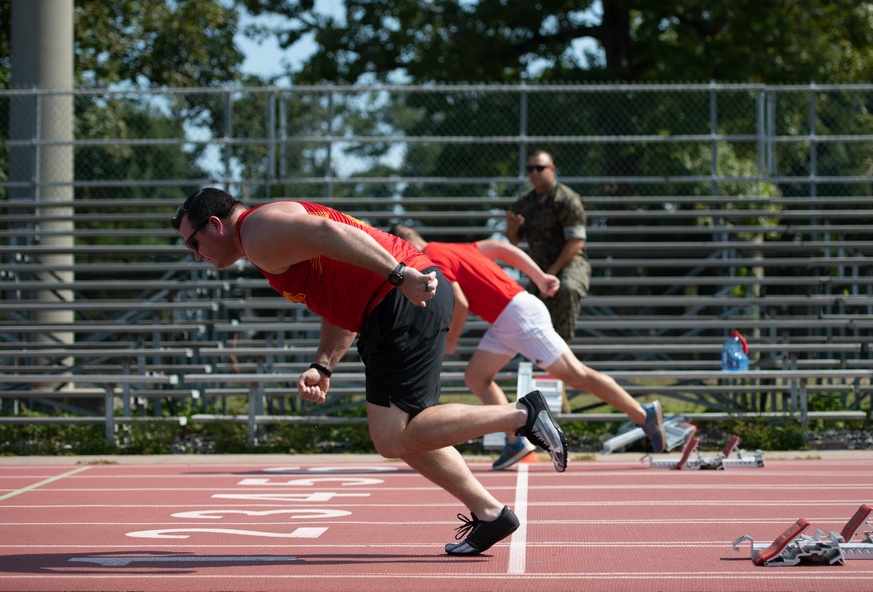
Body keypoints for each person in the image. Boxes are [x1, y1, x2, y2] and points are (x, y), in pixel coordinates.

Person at [171, 187, 568, 556]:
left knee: (394, 437)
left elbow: (328, 232)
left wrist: (400, 275)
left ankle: (523, 415)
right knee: (402, 433)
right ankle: (490, 514)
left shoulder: (257, 230)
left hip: (398, 297)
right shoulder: (262, 233)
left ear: (216, 225)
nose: (196, 255)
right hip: (387, 303)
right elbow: (339, 294)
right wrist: (323, 365)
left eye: (195, 243)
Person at [388, 224, 667, 471]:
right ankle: (516, 442)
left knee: (574, 375)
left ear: (405, 246)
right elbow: (501, 248)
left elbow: (460, 303)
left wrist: (451, 341)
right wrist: (540, 276)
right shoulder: (455, 248)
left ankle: (644, 415)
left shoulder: (433, 258)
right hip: (506, 320)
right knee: (476, 377)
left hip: (518, 315)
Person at [506, 150, 590, 342]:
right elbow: (514, 241)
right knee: (529, 306)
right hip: (539, 267)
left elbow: (576, 242)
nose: (534, 173)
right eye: (530, 169)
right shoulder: (525, 203)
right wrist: (512, 229)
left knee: (567, 288)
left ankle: (563, 350)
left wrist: (550, 274)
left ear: (552, 170)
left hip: (570, 264)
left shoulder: (567, 200)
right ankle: (544, 357)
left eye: (540, 168)